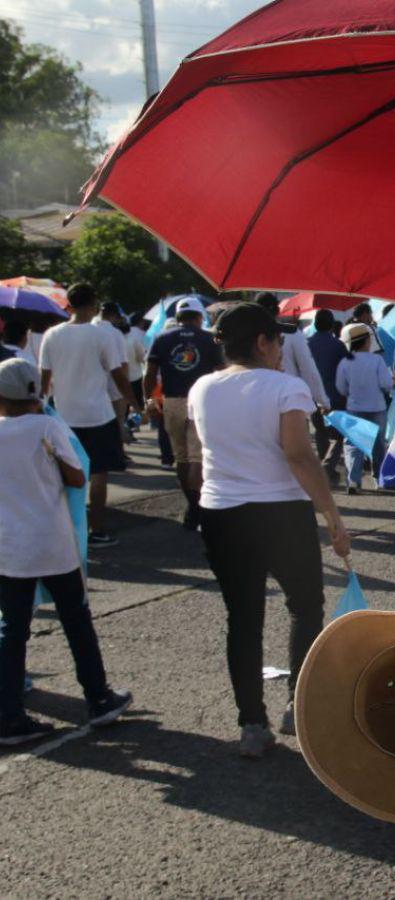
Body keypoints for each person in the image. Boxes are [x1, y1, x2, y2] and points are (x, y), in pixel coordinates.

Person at [188, 303, 351, 757]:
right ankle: (297, 704)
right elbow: (299, 456)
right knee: (305, 607)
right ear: (262, 342)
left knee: (243, 617)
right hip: (280, 512)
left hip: (220, 512)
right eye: (278, 340)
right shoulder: (286, 387)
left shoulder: (203, 387)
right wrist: (333, 517)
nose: (282, 348)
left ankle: (251, 725)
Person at [0, 358, 132, 745]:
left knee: (12, 630)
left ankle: (9, 714)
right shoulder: (47, 426)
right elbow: (77, 477)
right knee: (76, 621)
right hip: (52, 543)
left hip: (9, 547)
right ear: (36, 394)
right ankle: (99, 698)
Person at [39, 283, 141, 546]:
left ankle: (65, 532)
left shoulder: (52, 335)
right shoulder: (102, 336)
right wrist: (135, 402)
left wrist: (41, 408)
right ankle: (97, 531)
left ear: (68, 304)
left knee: (63, 475)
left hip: (63, 416)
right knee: (98, 474)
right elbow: (118, 375)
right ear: (94, 304)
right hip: (98, 414)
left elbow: (44, 378)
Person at [143, 297, 222, 530]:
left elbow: (150, 373)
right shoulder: (210, 339)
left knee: (182, 457)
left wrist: (149, 399)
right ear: (199, 317)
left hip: (172, 402)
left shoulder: (162, 339)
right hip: (203, 401)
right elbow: (220, 372)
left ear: (177, 318)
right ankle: (199, 509)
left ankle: (191, 506)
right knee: (198, 457)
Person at [335, 322, 392, 494]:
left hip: (355, 408)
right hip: (377, 407)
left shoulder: (345, 362)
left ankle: (353, 481)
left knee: (354, 445)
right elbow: (386, 384)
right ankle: (379, 480)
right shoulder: (377, 360)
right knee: (378, 445)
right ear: (367, 341)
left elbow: (341, 388)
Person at [252, 293, 330, 412]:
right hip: (289, 402)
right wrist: (323, 401)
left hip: (257, 403)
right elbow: (308, 370)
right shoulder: (291, 333)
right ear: (277, 311)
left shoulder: (248, 337)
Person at [306, 309, 350, 482]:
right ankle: (328, 466)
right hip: (335, 396)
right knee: (337, 435)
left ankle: (323, 466)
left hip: (311, 395)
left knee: (319, 431)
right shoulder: (339, 346)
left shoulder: (306, 343)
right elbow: (345, 371)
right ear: (332, 325)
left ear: (315, 324)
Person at [94, 302, 133, 444]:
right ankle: (118, 454)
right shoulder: (116, 334)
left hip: (95, 388)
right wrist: (126, 389)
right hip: (115, 387)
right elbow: (123, 363)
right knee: (117, 423)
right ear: (115, 317)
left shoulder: (91, 329)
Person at [126, 316, 148, 410]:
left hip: (120, 376)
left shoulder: (121, 334)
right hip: (136, 376)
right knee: (138, 406)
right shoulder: (144, 334)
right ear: (141, 322)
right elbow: (142, 357)